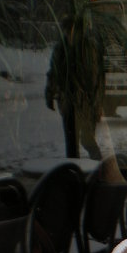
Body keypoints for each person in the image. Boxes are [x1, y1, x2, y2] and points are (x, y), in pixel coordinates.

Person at [45, 14, 105, 160]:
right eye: (67, 30)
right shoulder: (60, 49)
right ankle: (75, 172)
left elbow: (96, 77)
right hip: (67, 102)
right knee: (71, 144)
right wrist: (50, 93)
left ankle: (98, 168)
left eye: (72, 30)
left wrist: (95, 103)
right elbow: (54, 72)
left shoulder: (88, 48)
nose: (69, 34)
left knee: (87, 139)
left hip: (85, 103)